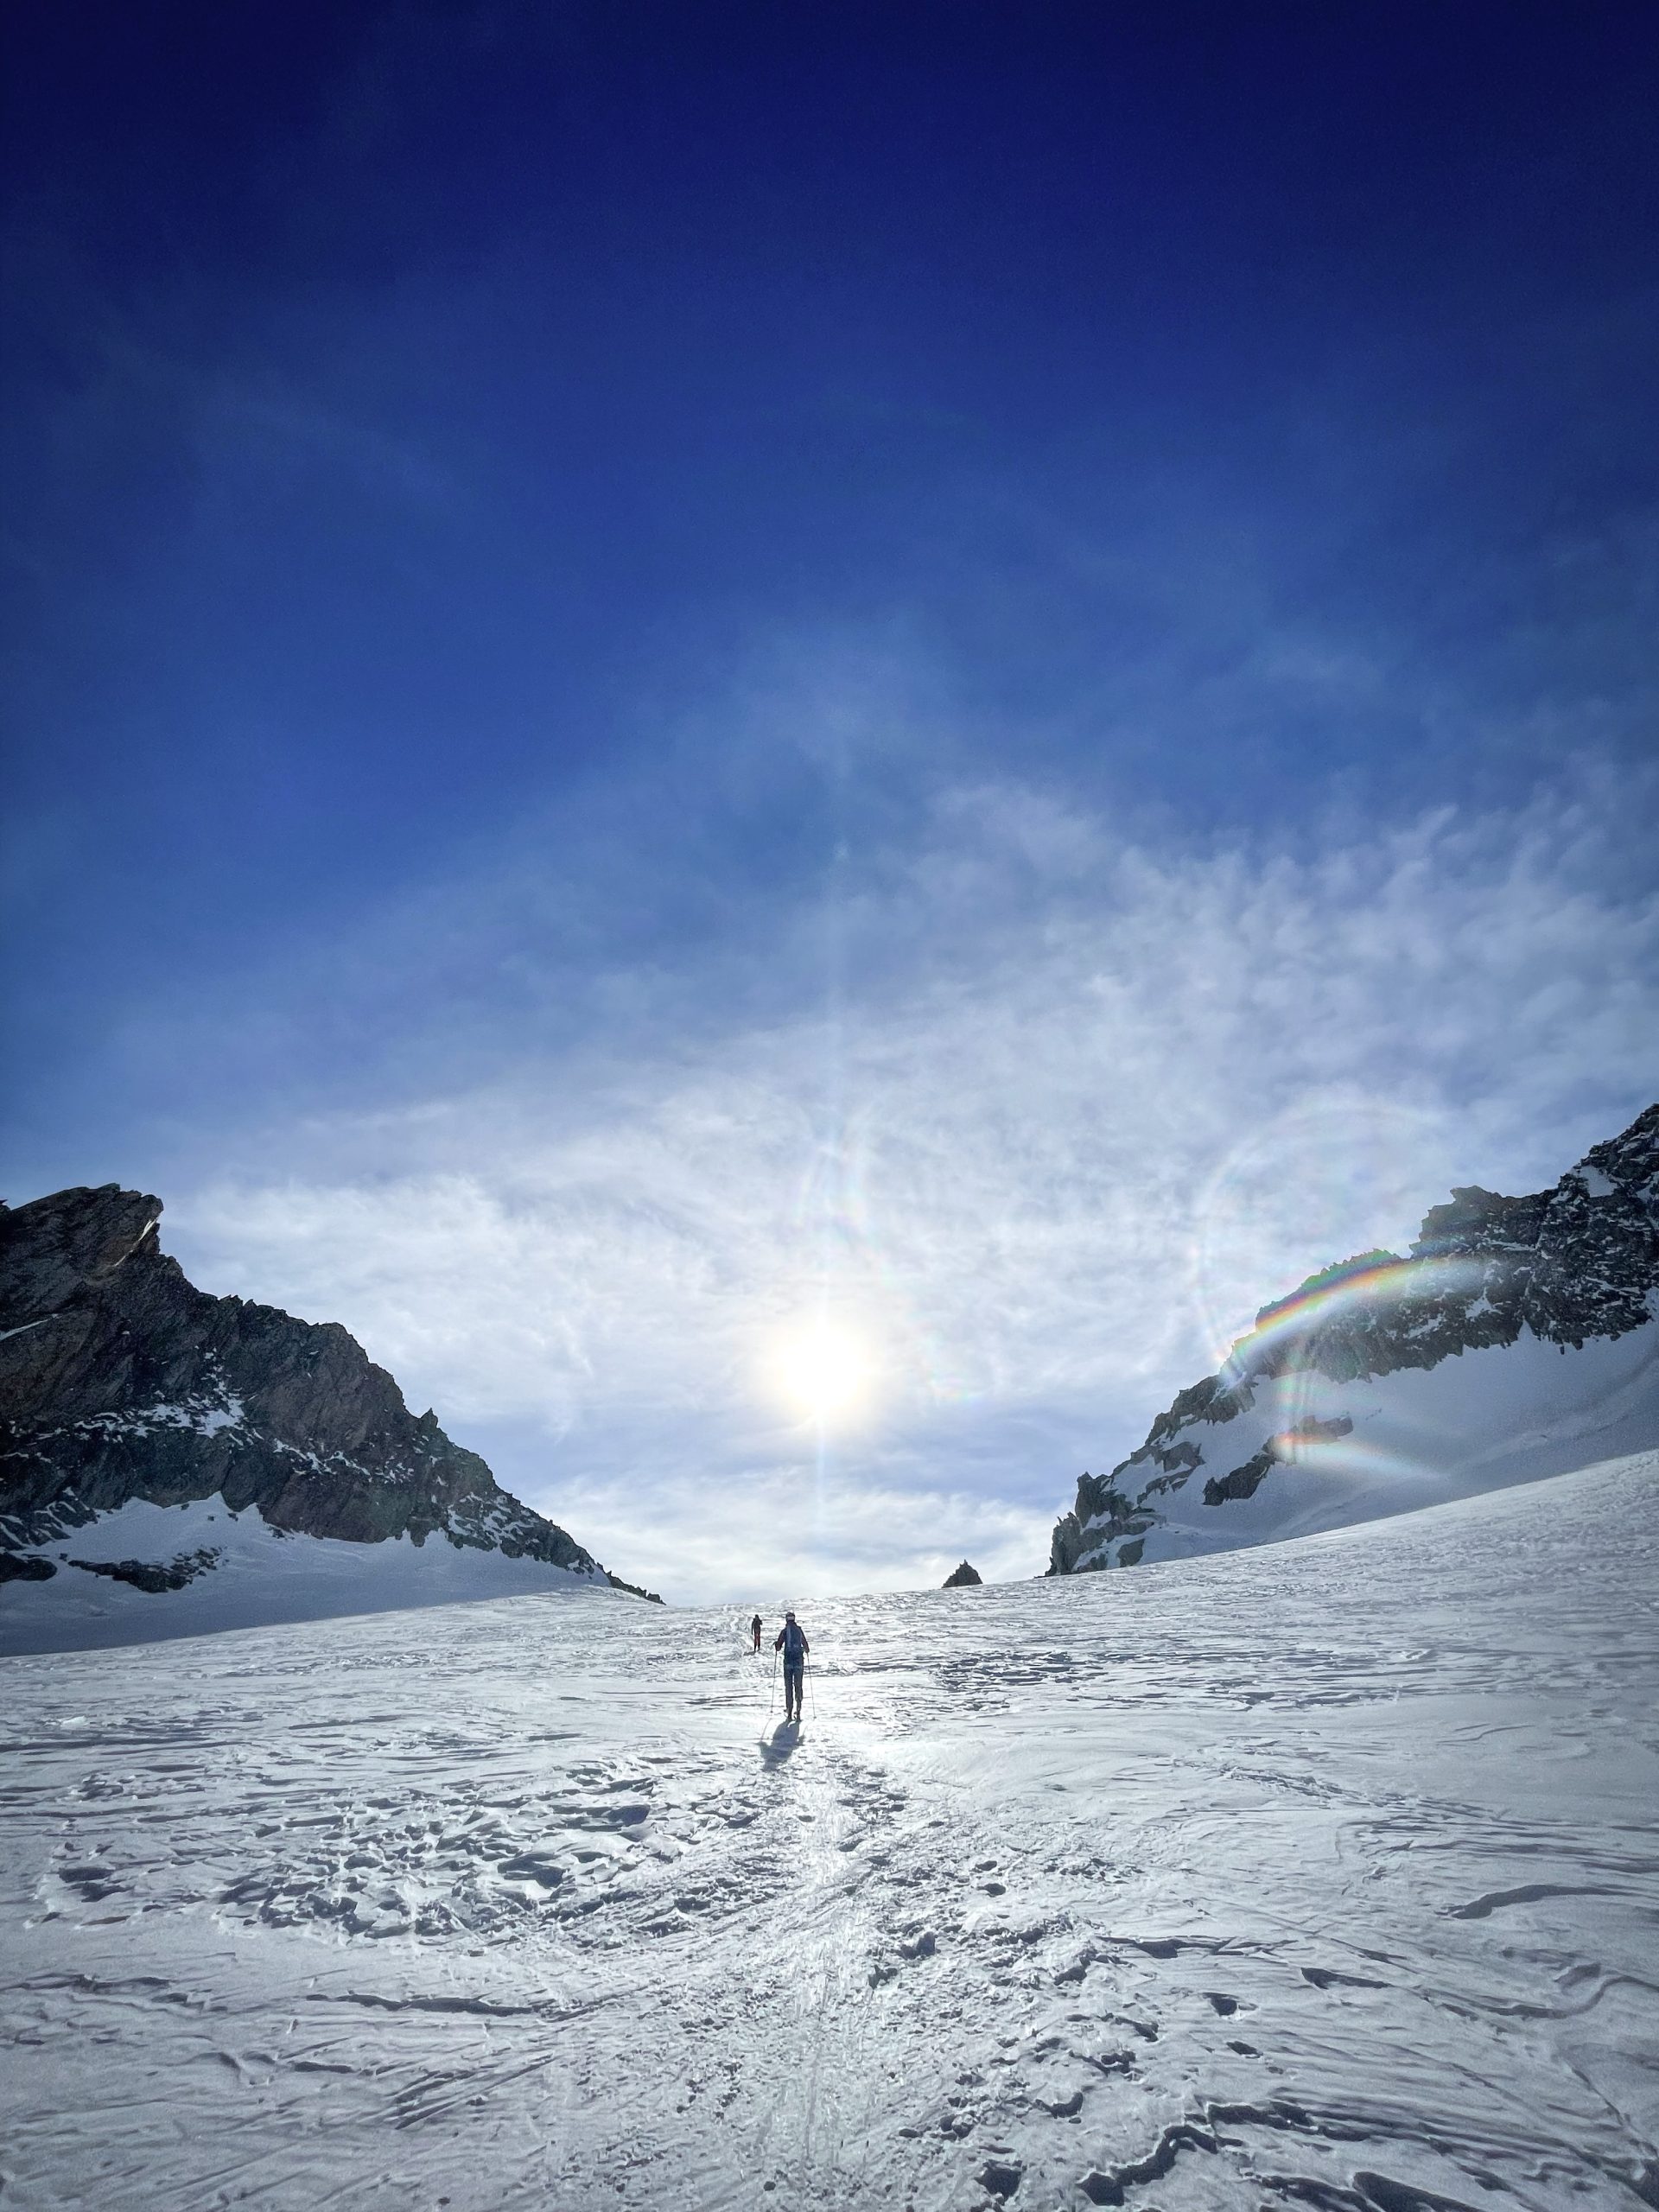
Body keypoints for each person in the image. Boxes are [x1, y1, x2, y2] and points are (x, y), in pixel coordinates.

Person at [773, 1610, 810, 1722]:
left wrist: (776, 1644)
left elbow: (779, 1647)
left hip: (788, 1663)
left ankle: (789, 1711)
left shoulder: (784, 1631)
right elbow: (806, 1646)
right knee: (798, 1685)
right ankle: (798, 1710)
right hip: (799, 1662)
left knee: (788, 1687)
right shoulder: (799, 1631)